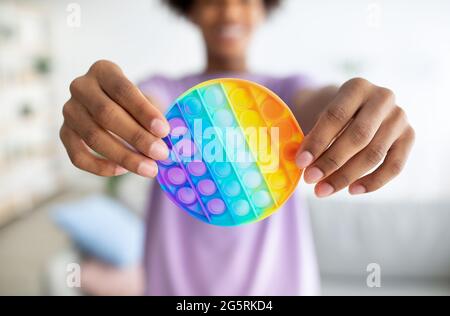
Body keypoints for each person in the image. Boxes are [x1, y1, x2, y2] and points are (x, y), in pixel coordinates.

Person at [59, 0, 415, 295]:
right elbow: (142, 111)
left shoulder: (287, 92)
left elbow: (319, 104)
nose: (229, 12)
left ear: (264, 9)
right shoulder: (166, 91)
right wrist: (104, 114)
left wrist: (353, 107)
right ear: (191, 10)